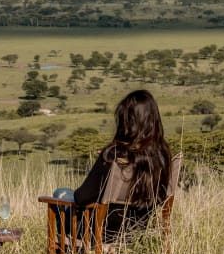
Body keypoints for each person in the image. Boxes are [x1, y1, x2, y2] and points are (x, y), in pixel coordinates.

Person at [72, 89, 173, 242]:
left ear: (126, 122)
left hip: (100, 232)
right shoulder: (163, 155)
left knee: (61, 194)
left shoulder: (114, 155)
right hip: (137, 232)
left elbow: (81, 197)